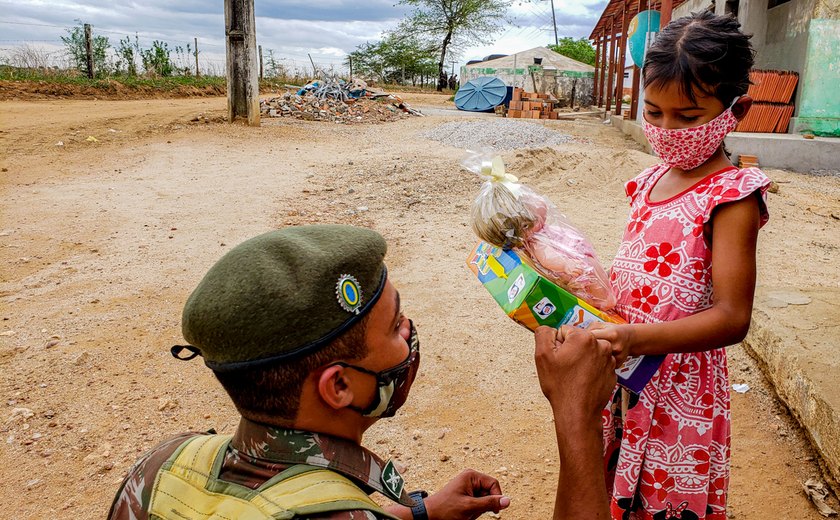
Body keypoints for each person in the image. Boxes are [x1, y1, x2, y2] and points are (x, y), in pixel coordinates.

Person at [108, 225, 512, 520]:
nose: (409, 331)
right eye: (395, 327)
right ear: (338, 386)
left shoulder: (160, 465)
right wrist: (571, 409)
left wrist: (419, 514)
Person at [590, 12, 772, 520]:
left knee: (664, 500)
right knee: (615, 483)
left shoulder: (732, 197)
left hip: (679, 389)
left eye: (688, 117)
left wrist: (634, 340)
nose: (668, 130)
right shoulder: (647, 182)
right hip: (624, 374)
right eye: (654, 112)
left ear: (737, 109)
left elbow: (733, 318)